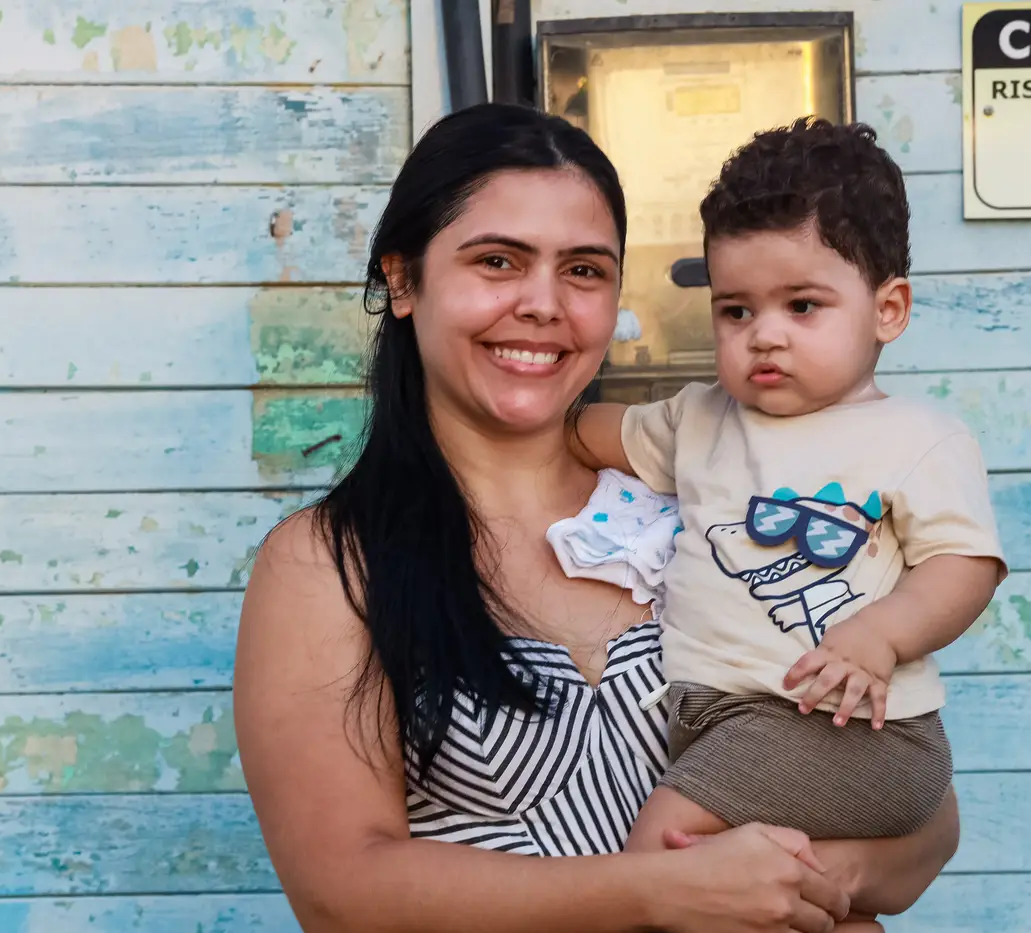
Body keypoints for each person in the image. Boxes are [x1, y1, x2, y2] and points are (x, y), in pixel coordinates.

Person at [234, 103, 960, 933]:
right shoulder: (328, 566)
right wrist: (661, 893)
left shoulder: (714, 508)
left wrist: (803, 881)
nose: (543, 304)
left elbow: (926, 816)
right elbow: (341, 892)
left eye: (582, 270)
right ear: (402, 279)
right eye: (498, 260)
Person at [570, 119, 1006, 927]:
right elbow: (586, 431)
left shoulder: (917, 438)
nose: (763, 333)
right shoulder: (700, 416)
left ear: (889, 309)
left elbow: (963, 565)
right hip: (721, 722)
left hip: (845, 729)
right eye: (735, 310)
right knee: (786, 894)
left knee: (662, 850)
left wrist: (880, 635)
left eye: (803, 305)